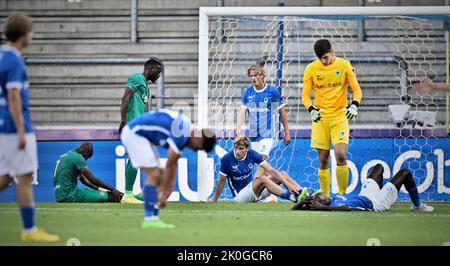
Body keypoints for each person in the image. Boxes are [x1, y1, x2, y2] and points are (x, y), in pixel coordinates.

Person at [0, 12, 59, 242]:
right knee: (25, 177)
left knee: (6, 175)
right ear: (24, 33)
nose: (32, 34)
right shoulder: (14, 59)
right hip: (15, 127)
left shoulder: (1, 56)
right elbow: (14, 97)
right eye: (31, 30)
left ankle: (30, 229)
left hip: (2, 125)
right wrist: (22, 131)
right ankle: (29, 229)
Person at [120, 108, 216, 229]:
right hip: (134, 134)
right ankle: (150, 219)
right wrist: (166, 191)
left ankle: (152, 217)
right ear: (198, 139)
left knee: (158, 175)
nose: (193, 150)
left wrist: (167, 191)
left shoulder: (186, 129)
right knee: (155, 175)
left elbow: (173, 165)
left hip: (141, 135)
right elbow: (170, 164)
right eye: (197, 148)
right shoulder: (182, 133)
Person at [301, 39, 363, 197]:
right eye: (320, 58)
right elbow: (305, 96)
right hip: (320, 119)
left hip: (339, 117)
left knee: (341, 155)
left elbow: (356, 89)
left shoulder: (344, 65)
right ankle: (326, 196)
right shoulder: (311, 69)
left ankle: (342, 195)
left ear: (332, 51)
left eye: (326, 57)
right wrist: (311, 109)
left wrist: (354, 105)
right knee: (323, 160)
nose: (324, 61)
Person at [236, 65, 291, 201]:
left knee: (262, 161)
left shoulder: (272, 92)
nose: (253, 78)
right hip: (253, 136)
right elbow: (243, 112)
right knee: (262, 166)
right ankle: (270, 195)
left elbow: (281, 112)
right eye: (251, 76)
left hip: (267, 135)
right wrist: (238, 130)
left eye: (255, 75)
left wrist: (287, 132)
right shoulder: (248, 93)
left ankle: (251, 192)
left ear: (262, 75)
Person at [292, 164, 434, 212]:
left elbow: (294, 209)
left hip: (365, 194)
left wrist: (303, 201)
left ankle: (389, 191)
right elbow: (346, 209)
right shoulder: (335, 205)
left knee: (378, 168)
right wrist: (319, 207)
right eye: (319, 196)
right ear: (322, 202)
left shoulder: (332, 198)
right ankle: (418, 205)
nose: (320, 193)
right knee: (405, 173)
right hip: (377, 203)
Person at [118, 57, 163, 204]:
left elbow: (146, 111)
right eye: (157, 71)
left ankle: (131, 193)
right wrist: (123, 121)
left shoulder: (146, 88)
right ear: (149, 69)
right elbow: (126, 98)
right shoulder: (137, 78)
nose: (159, 75)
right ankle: (128, 195)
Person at [212, 136, 307, 203]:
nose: (237, 151)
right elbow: (221, 181)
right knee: (263, 179)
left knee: (282, 174)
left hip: (255, 191)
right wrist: (215, 201)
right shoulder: (227, 159)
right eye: (236, 148)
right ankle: (292, 198)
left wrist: (288, 185)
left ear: (247, 149)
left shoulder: (252, 154)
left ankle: (303, 195)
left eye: (241, 148)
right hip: (240, 196)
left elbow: (271, 170)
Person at [52, 142, 124, 203]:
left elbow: (84, 181)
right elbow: (91, 179)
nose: (86, 160)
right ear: (85, 153)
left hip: (60, 196)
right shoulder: (78, 158)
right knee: (113, 197)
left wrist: (99, 190)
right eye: (88, 157)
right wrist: (113, 189)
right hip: (71, 195)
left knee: (102, 194)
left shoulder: (66, 156)